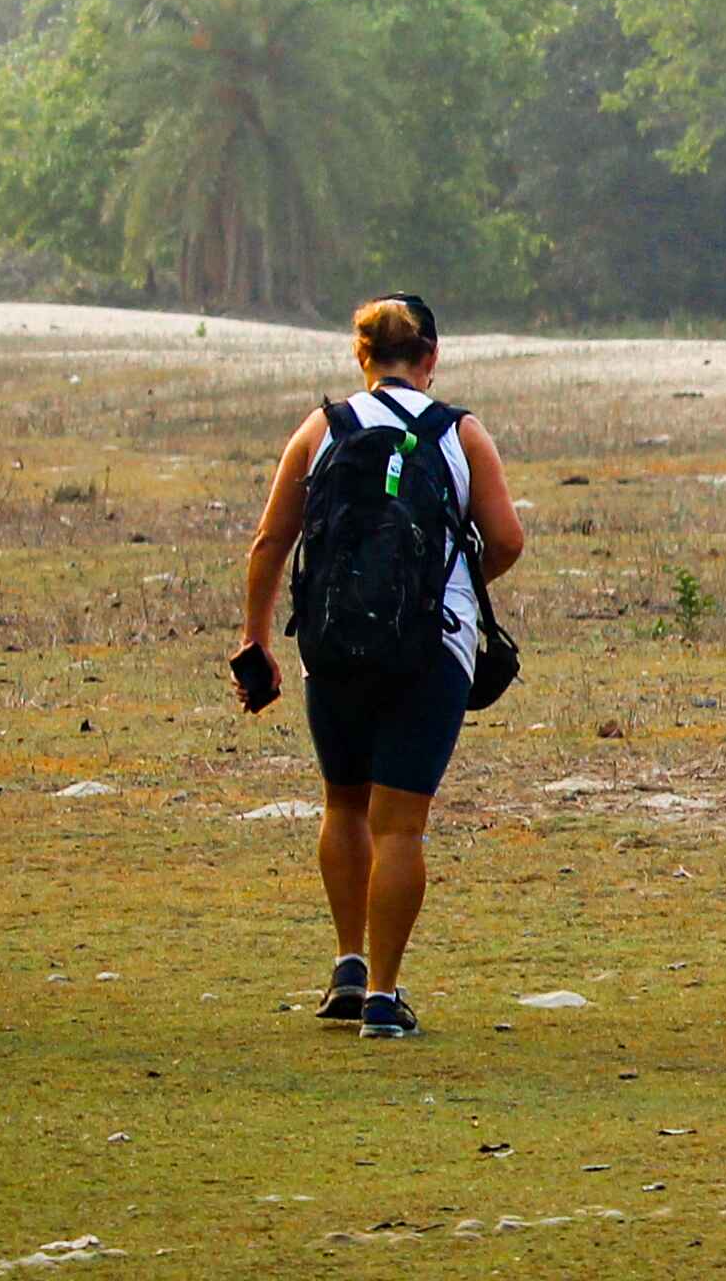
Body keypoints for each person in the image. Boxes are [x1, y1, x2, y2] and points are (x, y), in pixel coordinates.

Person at [233, 294, 524, 1041]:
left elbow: (270, 542)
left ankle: (348, 964)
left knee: (344, 804)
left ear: (361, 358)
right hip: (432, 648)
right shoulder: (461, 432)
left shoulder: (322, 428)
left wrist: (256, 637)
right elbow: (508, 538)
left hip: (331, 645)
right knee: (403, 826)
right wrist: (449, 581)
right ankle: (387, 1000)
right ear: (430, 357)